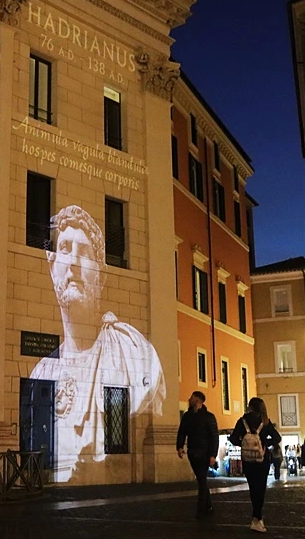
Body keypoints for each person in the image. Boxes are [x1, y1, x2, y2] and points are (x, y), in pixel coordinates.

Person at [29, 205, 165, 482]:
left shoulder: (133, 352)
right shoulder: (41, 372)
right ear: (52, 268)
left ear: (101, 277)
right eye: (65, 248)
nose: (74, 262)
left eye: (84, 252)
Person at [229, 397, 281, 532]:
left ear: (250, 406)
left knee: (253, 488)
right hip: (262, 459)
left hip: (247, 460)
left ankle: (256, 518)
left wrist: (244, 444)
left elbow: (233, 438)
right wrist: (264, 444)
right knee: (261, 488)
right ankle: (257, 518)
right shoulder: (265, 422)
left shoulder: (242, 421)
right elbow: (277, 438)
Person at [177, 391, 218, 519]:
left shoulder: (209, 417)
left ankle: (201, 510)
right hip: (192, 452)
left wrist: (213, 455)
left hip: (204, 454)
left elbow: (214, 437)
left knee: (201, 480)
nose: (189, 399)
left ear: (197, 400)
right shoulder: (187, 416)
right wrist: (179, 446)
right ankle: (208, 506)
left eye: (192, 397)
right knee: (202, 480)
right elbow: (182, 432)